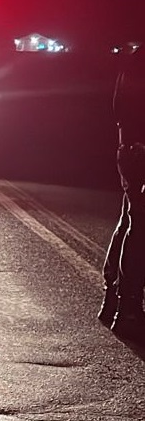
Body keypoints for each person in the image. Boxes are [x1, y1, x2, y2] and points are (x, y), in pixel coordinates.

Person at [100, 44, 145, 340]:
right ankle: (127, 308)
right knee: (139, 224)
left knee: (131, 220)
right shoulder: (138, 61)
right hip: (138, 150)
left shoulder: (136, 58)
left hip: (132, 149)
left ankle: (114, 298)